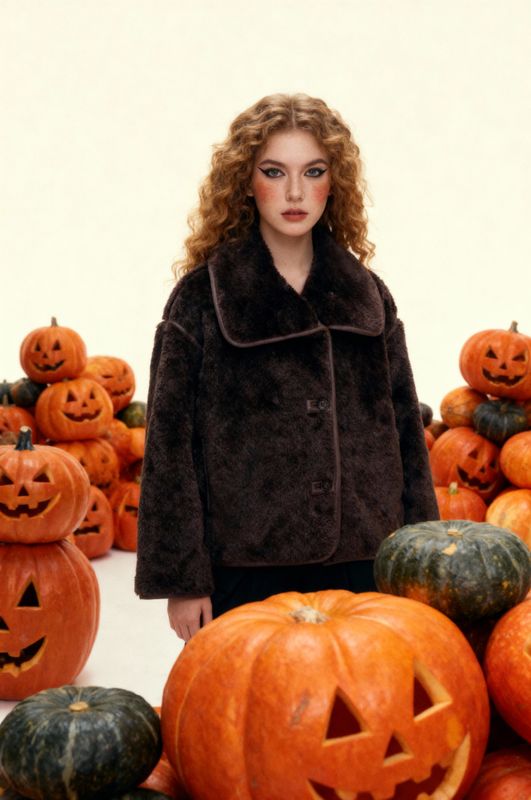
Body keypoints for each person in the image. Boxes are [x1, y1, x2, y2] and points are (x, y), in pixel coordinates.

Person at [134, 93, 439, 642]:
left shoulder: (369, 296)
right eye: (275, 172)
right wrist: (183, 579)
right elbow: (169, 450)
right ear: (246, 182)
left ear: (333, 183)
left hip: (364, 564)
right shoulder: (202, 299)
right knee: (249, 715)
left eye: (313, 172)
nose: (295, 193)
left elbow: (406, 438)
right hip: (245, 570)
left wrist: (422, 558)